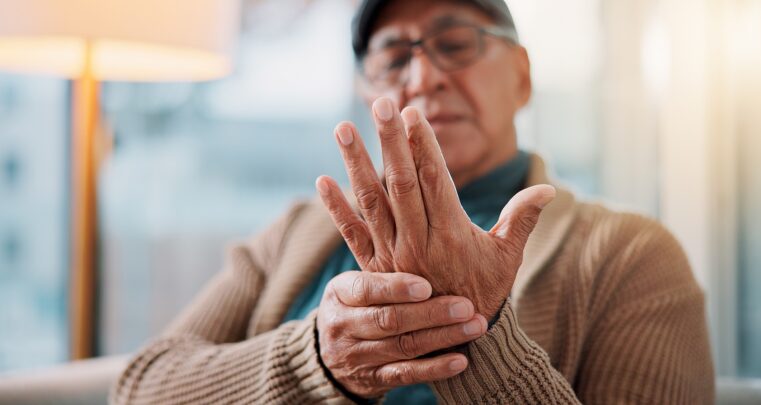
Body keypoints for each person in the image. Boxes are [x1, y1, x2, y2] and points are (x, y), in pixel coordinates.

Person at [111, 0, 715, 403]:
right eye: (395, 56)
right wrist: (317, 363)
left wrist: (476, 329)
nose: (423, 78)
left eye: (457, 43)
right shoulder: (297, 232)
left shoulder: (629, 255)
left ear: (523, 77)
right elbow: (139, 389)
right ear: (365, 86)